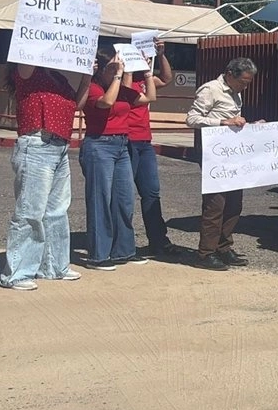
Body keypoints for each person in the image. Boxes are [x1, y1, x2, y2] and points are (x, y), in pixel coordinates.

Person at [0, 63, 91, 290]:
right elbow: (27, 56)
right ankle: (17, 273)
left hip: (59, 145)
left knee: (57, 210)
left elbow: (76, 105)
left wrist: (87, 76)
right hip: (37, 143)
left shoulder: (57, 77)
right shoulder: (27, 72)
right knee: (30, 211)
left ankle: (54, 266)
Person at [81, 47, 155, 271]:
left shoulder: (121, 89)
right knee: (100, 199)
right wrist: (118, 75)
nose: (118, 70)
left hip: (122, 145)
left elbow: (149, 98)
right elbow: (106, 102)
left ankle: (123, 250)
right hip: (99, 145)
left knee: (124, 199)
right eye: (112, 67)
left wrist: (147, 72)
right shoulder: (92, 88)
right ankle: (99, 255)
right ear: (102, 69)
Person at [185, 57, 257, 271]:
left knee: (234, 203)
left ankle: (223, 247)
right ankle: (206, 253)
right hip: (214, 155)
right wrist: (222, 122)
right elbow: (191, 119)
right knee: (215, 204)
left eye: (248, 83)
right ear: (230, 74)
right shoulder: (211, 90)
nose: (245, 86)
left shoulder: (236, 93)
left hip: (232, 155)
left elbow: (234, 122)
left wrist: (250, 126)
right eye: (243, 82)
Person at [125, 39, 185, 257]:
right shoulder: (125, 81)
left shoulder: (144, 80)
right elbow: (135, 94)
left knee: (151, 193)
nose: (146, 60)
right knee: (124, 195)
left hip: (144, 142)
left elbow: (167, 79)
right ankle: (123, 242)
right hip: (127, 141)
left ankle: (158, 240)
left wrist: (160, 55)